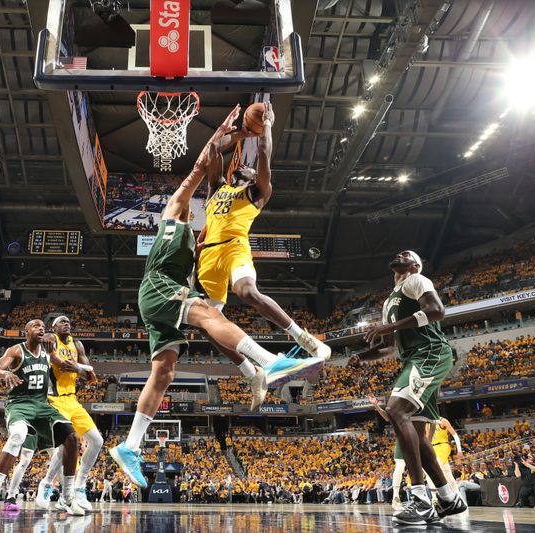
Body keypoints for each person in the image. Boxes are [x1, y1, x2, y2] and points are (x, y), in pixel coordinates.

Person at [108, 106, 325, 489]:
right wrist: (224, 136)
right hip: (159, 286)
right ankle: (266, 363)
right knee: (211, 316)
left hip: (188, 280)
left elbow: (258, 164)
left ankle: (130, 445)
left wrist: (256, 133)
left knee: (164, 372)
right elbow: (202, 166)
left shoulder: (201, 231)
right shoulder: (175, 212)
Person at [197, 102, 330, 361]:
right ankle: (253, 371)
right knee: (207, 324)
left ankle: (305, 339)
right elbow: (213, 148)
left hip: (234, 248)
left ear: (254, 177)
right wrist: (240, 134)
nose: (244, 166)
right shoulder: (218, 187)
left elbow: (264, 154)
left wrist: (266, 124)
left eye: (249, 168)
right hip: (208, 257)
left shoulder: (257, 193)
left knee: (247, 292)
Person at [352, 251, 466, 525]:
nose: (399, 255)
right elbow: (389, 346)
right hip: (413, 357)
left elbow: (437, 311)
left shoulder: (416, 280)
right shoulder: (391, 299)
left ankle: (420, 499)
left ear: (414, 265)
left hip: (429, 351)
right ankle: (449, 499)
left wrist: (390, 325)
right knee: (418, 436)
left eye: (406, 254)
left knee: (395, 409)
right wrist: (362, 357)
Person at [0, 319, 83, 518]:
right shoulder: (16, 351)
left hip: (42, 406)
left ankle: (68, 497)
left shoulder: (48, 350)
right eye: (36, 326)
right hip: (19, 404)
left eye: (43, 327)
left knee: (72, 438)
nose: (41, 328)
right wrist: (5, 373)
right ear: (26, 331)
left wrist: (82, 369)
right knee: (18, 436)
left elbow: (64, 366)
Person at [34, 315, 104, 511]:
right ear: (54, 327)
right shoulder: (49, 339)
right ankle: (47, 484)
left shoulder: (78, 345)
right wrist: (82, 368)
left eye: (69, 322)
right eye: (62, 322)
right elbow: (59, 363)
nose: (67, 324)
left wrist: (81, 368)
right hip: (54, 400)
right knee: (66, 446)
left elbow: (91, 377)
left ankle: (80, 487)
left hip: (73, 400)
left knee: (97, 441)